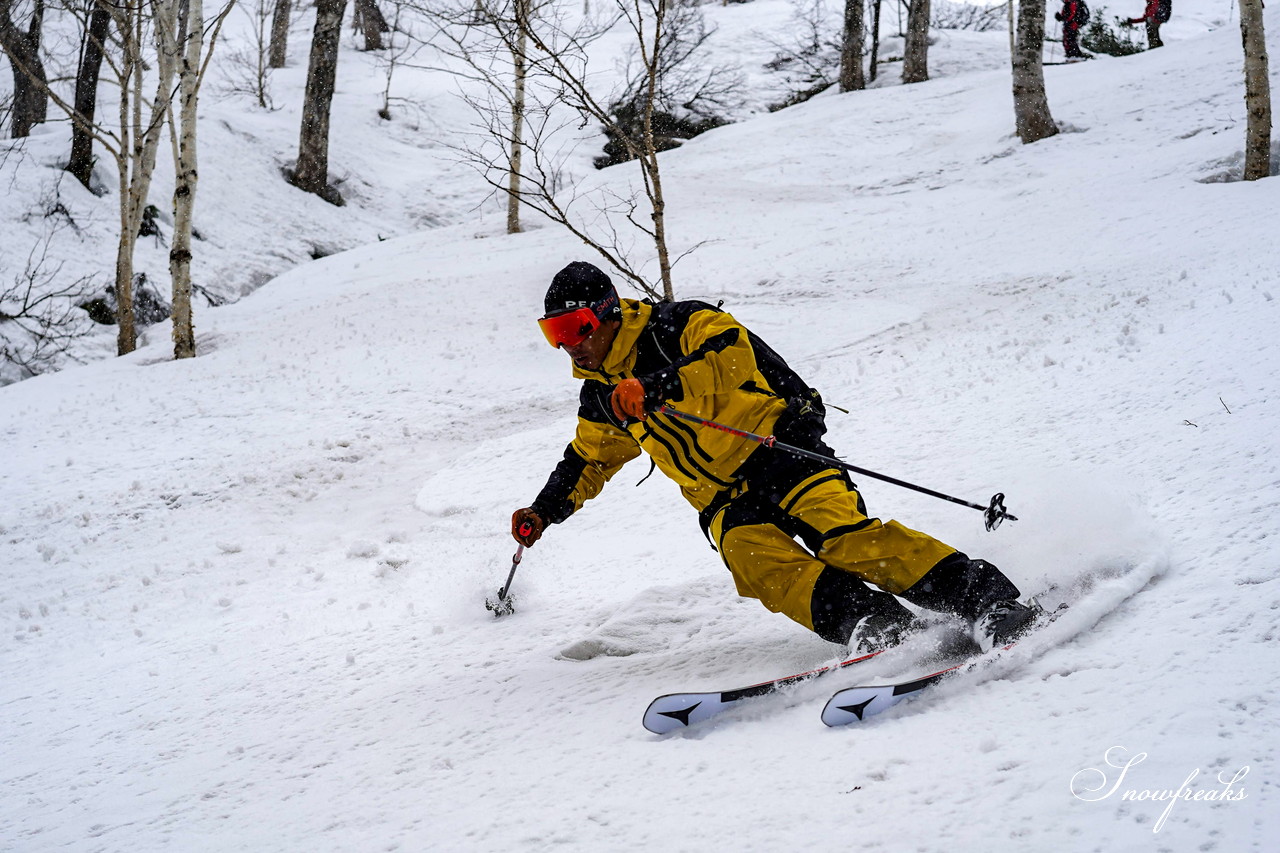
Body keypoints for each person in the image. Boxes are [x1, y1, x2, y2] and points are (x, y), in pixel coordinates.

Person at [511, 261, 1038, 654]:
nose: (569, 346)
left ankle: (989, 603)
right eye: (553, 334)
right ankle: (876, 625)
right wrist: (544, 510)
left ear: (606, 314)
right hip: (721, 495)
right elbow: (589, 460)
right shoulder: (601, 397)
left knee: (846, 540)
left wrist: (657, 386)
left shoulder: (679, 325)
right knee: (756, 561)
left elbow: (732, 357)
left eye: (575, 328)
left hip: (779, 447)